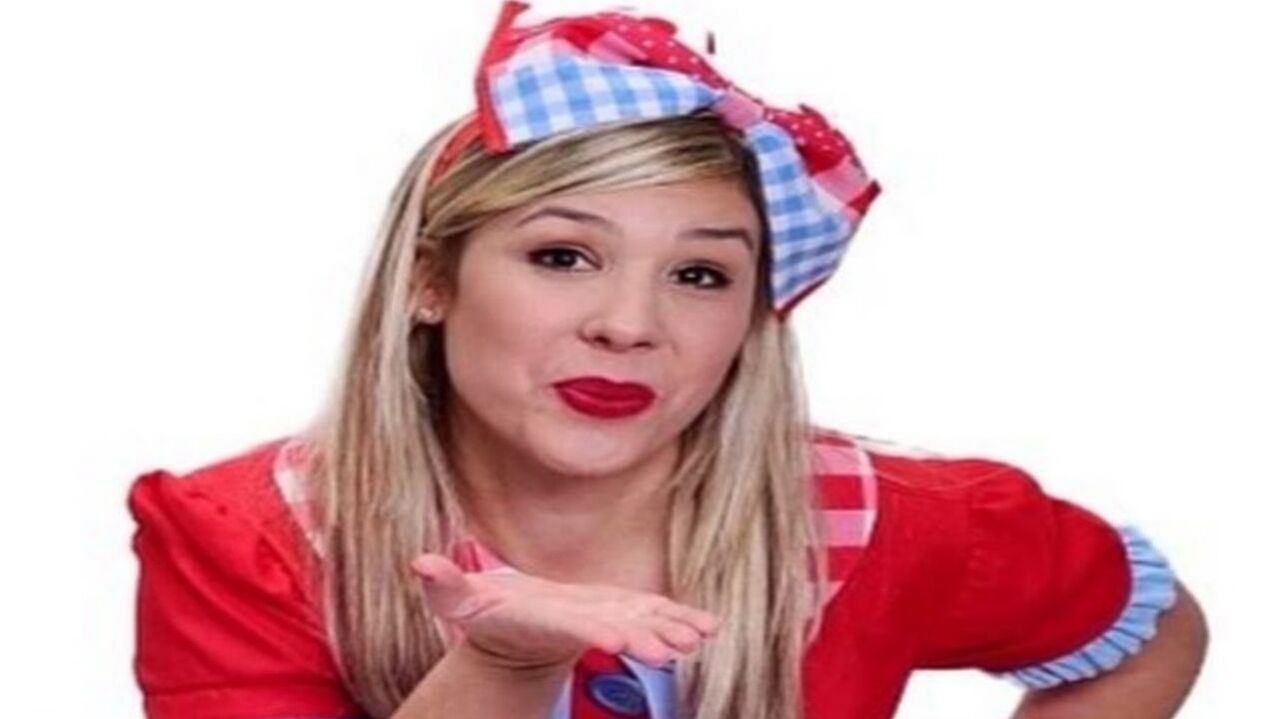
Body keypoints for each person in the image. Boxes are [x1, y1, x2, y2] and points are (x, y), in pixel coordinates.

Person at [126, 2, 1209, 718]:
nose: (627, 323)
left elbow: (1148, 634)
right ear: (430, 280)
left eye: (699, 273)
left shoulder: (885, 518)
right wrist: (505, 662)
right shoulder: (257, 537)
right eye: (562, 255)